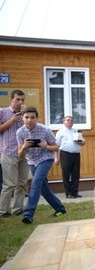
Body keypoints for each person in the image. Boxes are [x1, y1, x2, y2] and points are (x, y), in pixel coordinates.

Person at [17, 107, 66, 224]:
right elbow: (21, 155)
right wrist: (24, 147)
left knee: (36, 182)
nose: (29, 120)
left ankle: (28, 214)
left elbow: (56, 147)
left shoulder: (45, 130)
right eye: (26, 117)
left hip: (45, 159)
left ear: (36, 118)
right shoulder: (20, 132)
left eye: (32, 117)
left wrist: (46, 146)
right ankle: (60, 209)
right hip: (31, 161)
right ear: (22, 118)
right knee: (43, 188)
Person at [0, 90, 29, 218]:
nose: (20, 102)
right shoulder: (3, 112)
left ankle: (17, 209)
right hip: (8, 152)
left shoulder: (26, 115)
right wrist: (11, 121)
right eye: (18, 99)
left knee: (22, 183)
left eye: (22, 100)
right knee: (9, 184)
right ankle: (3, 211)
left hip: (23, 152)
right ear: (11, 100)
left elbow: (31, 129)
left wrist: (26, 117)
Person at [55, 116, 86, 198]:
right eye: (68, 120)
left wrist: (79, 142)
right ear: (64, 122)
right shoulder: (60, 132)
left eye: (71, 120)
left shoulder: (76, 131)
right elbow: (56, 146)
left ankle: (74, 192)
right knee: (66, 174)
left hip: (76, 155)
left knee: (76, 174)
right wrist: (56, 158)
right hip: (65, 154)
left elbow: (83, 143)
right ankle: (68, 193)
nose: (70, 122)